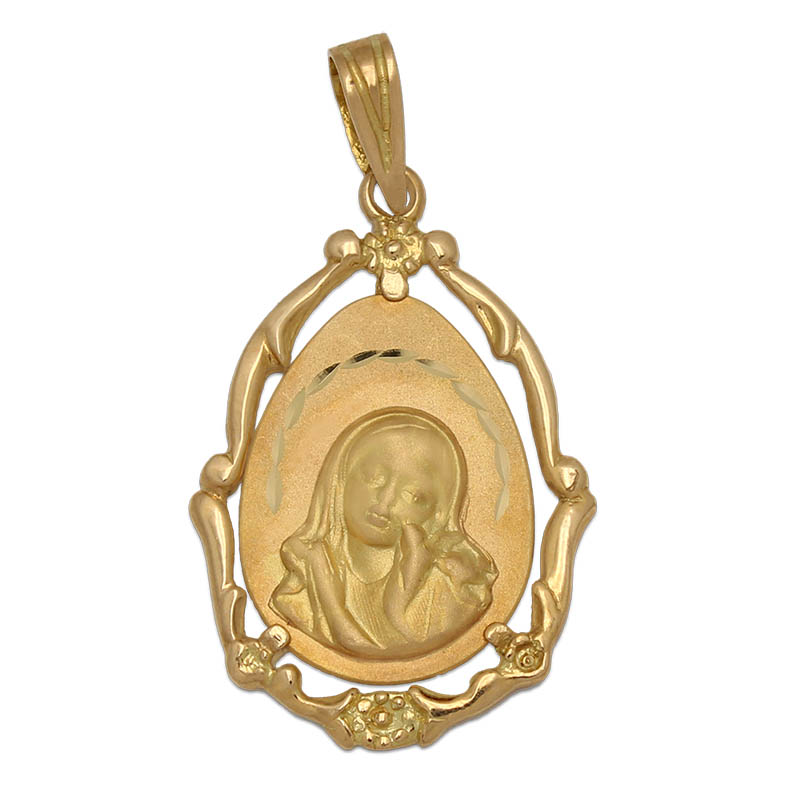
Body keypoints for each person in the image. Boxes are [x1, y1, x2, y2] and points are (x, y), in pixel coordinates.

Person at [270, 408, 498, 659]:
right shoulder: (300, 580)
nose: (386, 500)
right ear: (340, 478)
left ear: (438, 513)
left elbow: (362, 644)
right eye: (374, 477)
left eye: (413, 495)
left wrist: (329, 597)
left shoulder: (452, 593)